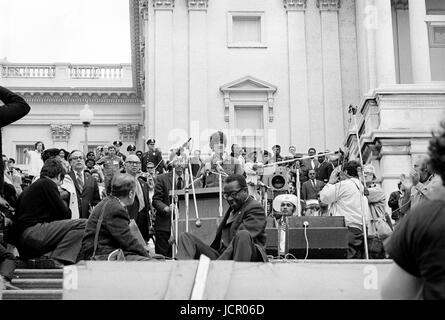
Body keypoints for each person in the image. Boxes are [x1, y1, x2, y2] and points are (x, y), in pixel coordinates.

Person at [382, 120, 445, 300]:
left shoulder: (434, 186)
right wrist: (409, 189)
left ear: (429, 167)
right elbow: (405, 209)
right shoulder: (417, 193)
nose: (413, 169)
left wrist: (417, 185)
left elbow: (394, 294)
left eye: (417, 167)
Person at [11, 158, 87, 266]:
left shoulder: (34, 186)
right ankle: (58, 258)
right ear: (59, 175)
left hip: (24, 240)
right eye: (61, 181)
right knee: (84, 224)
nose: (60, 185)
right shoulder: (48, 183)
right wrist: (63, 197)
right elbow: (65, 214)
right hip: (33, 233)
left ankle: (47, 257)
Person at [176, 174, 267, 262]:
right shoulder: (234, 208)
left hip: (243, 256)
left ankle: (238, 274)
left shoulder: (255, 208)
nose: (230, 198)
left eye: (234, 194)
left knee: (243, 235)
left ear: (245, 191)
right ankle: (183, 272)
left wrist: (219, 264)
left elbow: (241, 240)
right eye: (226, 195)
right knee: (185, 237)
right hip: (223, 256)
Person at [77, 174, 152, 261]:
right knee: (151, 262)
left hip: (97, 252)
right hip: (102, 255)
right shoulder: (116, 209)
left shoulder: (109, 202)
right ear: (131, 194)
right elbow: (128, 241)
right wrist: (148, 256)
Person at [319, 160, 370, 259]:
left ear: (345, 172)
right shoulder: (360, 186)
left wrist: (330, 182)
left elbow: (324, 198)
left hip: (346, 231)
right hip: (359, 231)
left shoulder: (345, 185)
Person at [152, 156, 187, 257]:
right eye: (177, 163)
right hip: (165, 225)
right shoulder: (162, 178)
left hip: (186, 225)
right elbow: (156, 200)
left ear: (186, 165)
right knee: (163, 258)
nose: (179, 165)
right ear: (172, 164)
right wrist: (166, 208)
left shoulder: (192, 181)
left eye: (182, 162)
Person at [124, 155, 152, 242]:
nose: (134, 165)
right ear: (125, 165)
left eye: (137, 163)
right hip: (129, 222)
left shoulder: (143, 183)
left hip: (143, 222)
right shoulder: (120, 182)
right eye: (131, 163)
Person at [67, 150, 101, 219]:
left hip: (88, 218)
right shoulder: (66, 178)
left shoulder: (92, 179)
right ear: (70, 162)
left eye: (81, 158)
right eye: (75, 158)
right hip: (71, 219)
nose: (78, 160)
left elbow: (96, 200)